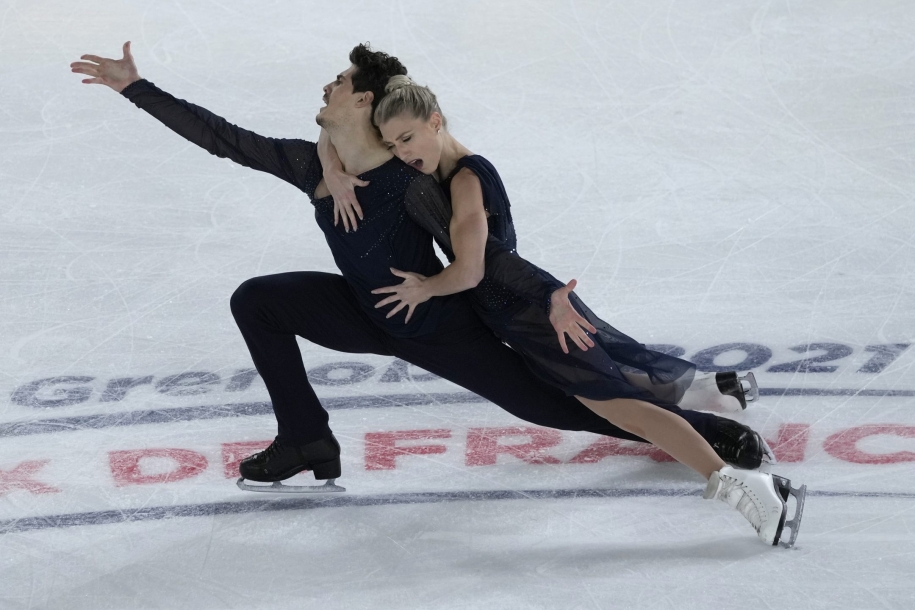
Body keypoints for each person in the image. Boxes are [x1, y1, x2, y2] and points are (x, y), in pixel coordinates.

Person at [69, 42, 791, 545]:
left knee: (549, 407)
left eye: (336, 84)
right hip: (364, 312)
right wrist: (137, 88)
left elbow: (478, 252)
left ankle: (709, 436)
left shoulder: (410, 185)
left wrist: (550, 299)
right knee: (256, 299)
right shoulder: (313, 166)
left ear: (364, 103)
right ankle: (305, 438)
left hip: (437, 324)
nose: (323, 89)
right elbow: (222, 138)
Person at [320, 75, 804, 547]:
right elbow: (335, 128)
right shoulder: (436, 164)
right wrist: (333, 167)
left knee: (627, 412)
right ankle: (710, 402)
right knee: (617, 386)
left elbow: (472, 272)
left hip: (536, 317)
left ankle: (753, 493)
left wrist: (425, 289)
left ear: (436, 121)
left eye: (407, 138)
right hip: (519, 314)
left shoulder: (467, 180)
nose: (402, 152)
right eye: (393, 143)